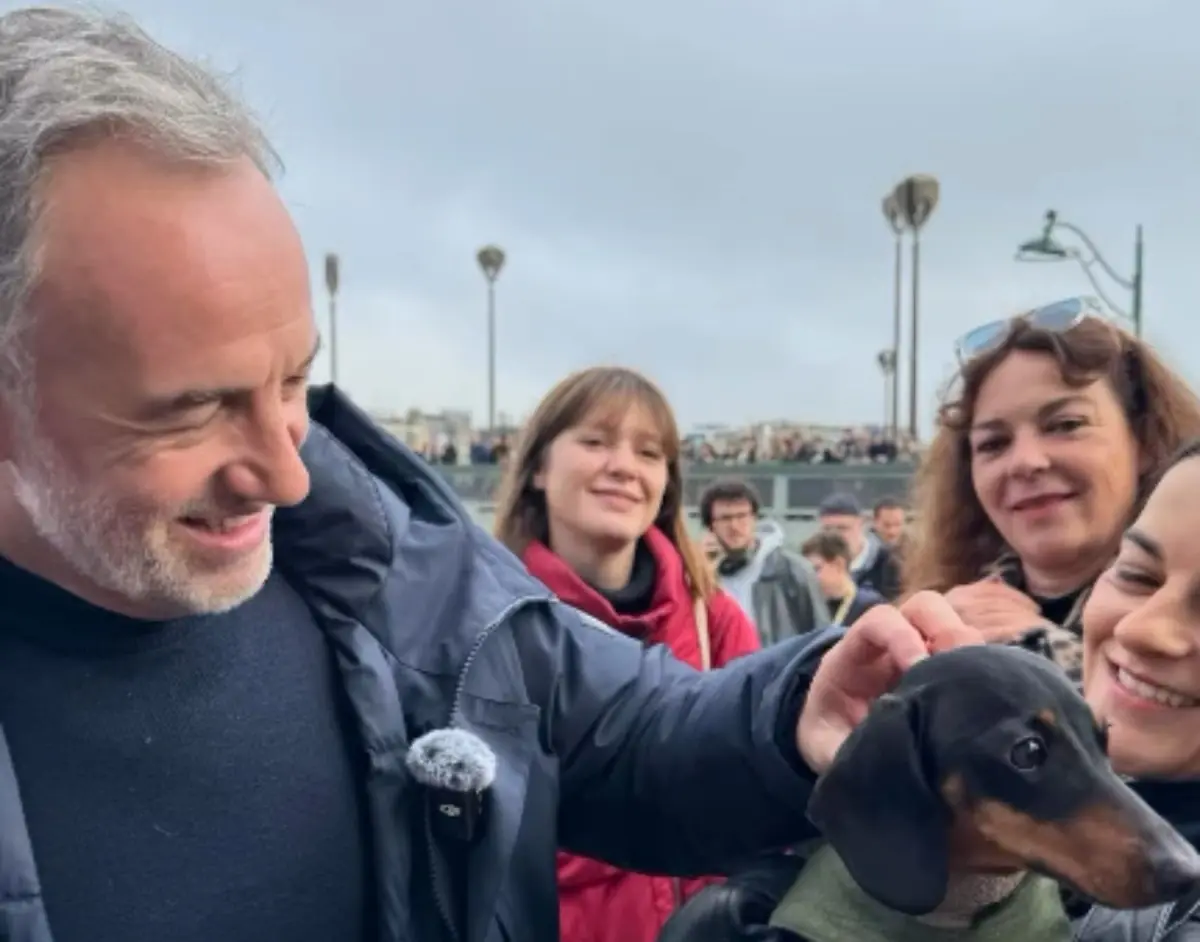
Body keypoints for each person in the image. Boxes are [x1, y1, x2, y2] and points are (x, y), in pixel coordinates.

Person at [0, 9, 933, 942]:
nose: (287, 476)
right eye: (194, 408)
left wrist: (800, 712)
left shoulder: (387, 573)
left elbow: (631, 735)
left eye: (293, 382)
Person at [493, 366, 761, 942]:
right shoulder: (485, 625)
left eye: (649, 453)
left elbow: (753, 812)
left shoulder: (713, 620)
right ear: (538, 468)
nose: (623, 467)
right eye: (595, 441)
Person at [903, 296, 1200, 683]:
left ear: (1144, 440)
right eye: (994, 444)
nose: (1025, 461)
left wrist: (1044, 651)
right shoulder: (939, 623)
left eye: (1065, 425)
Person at [699, 478, 828, 646]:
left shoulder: (793, 571)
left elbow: (822, 636)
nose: (735, 526)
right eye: (725, 518)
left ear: (754, 518)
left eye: (742, 516)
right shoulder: (704, 578)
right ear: (711, 526)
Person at [816, 492, 902, 600]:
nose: (835, 535)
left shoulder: (890, 564)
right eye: (827, 529)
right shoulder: (813, 569)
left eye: (842, 528)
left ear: (861, 525)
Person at [800, 529, 884, 626]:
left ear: (839, 564)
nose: (810, 576)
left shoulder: (871, 607)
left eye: (816, 569)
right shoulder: (810, 609)